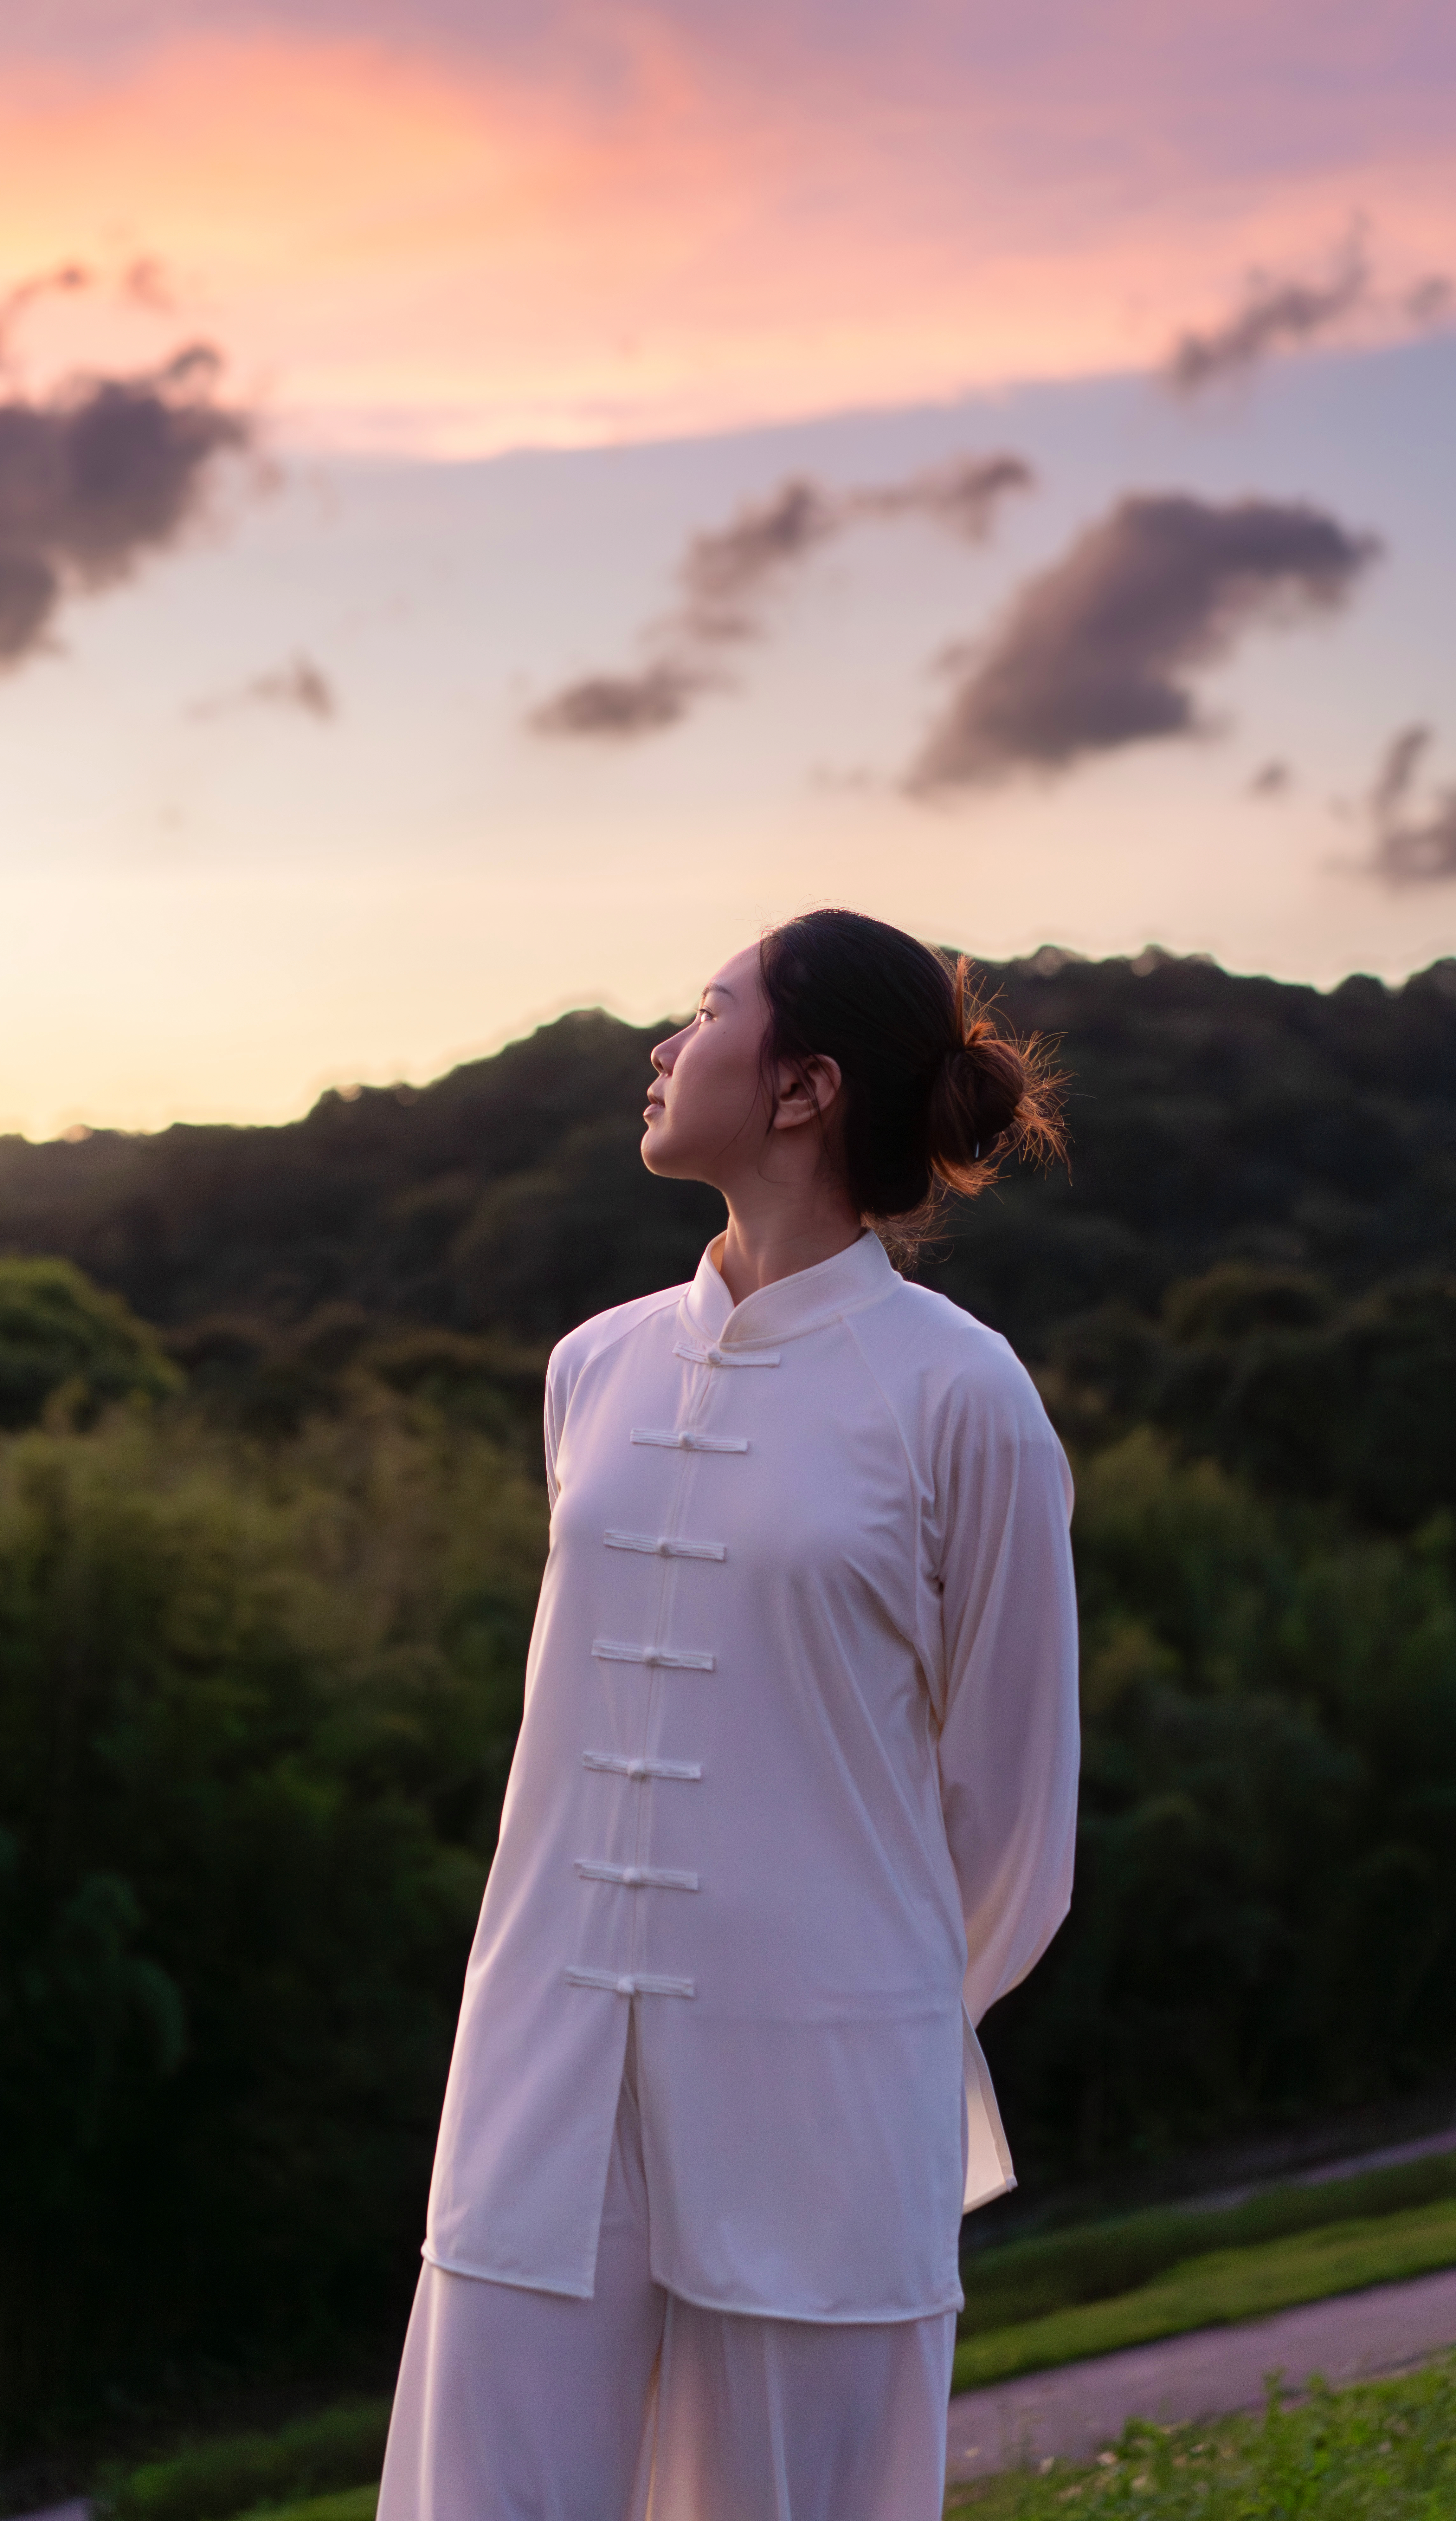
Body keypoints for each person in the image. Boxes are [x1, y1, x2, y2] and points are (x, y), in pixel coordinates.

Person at [377, 909, 1080, 2521]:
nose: (664, 1044)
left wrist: (852, 2007)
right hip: (539, 2071)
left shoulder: (963, 1396)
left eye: (706, 1011)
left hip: (824, 2101)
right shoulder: (593, 1369)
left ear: (803, 1087)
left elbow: (1015, 1825)